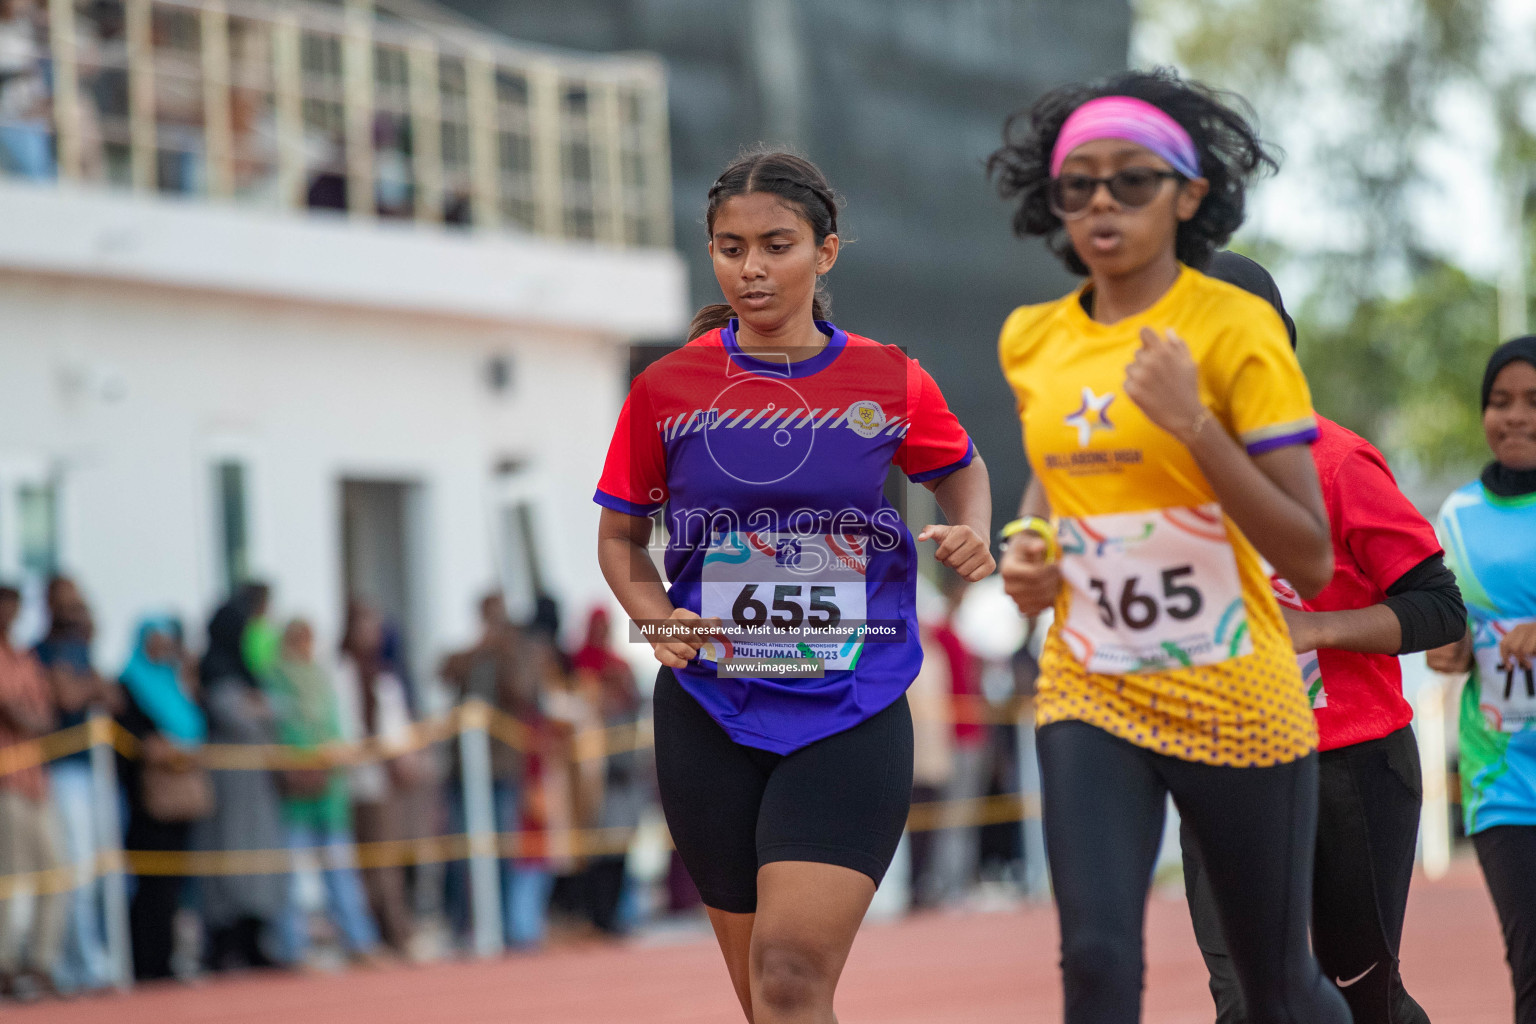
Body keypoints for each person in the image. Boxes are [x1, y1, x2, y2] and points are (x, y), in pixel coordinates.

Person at [595, 148, 993, 1022]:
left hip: (850, 703)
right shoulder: (667, 388)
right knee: (765, 1000)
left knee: (789, 974)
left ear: (827, 252)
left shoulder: (887, 377)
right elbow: (622, 540)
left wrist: (970, 529)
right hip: (709, 711)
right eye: (729, 247)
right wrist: (658, 617)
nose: (751, 268)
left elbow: (960, 468)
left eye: (776, 245)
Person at [990, 69, 1349, 1024]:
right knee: (1098, 963)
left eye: (1133, 181)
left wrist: (1195, 426)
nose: (1102, 202)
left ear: (1190, 194)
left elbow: (1309, 555)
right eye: (1079, 185)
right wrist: (1029, 549)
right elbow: (1051, 486)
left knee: (1276, 991)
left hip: (1233, 688)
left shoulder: (1234, 329)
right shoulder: (1032, 340)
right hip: (1092, 683)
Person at [1179, 251, 1465, 1024]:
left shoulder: (1335, 461)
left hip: (1349, 766)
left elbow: (1440, 608)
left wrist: (1313, 625)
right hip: (1223, 760)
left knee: (1361, 996)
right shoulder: (1157, 479)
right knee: (1245, 1002)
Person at [1427, 335, 1536, 1024]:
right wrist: (1449, 645)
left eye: (1533, 402)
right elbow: (1442, 626)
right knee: (1531, 968)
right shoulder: (1457, 516)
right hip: (1502, 776)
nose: (1515, 416)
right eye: (1499, 402)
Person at [263, 618, 382, 967]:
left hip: (329, 790)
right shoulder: (276, 679)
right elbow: (281, 729)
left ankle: (359, 940)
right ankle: (292, 947)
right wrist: (302, 761)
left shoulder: (320, 677)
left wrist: (333, 756)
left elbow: (334, 725)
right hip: (295, 793)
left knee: (341, 870)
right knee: (291, 874)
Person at [439, 592, 539, 951]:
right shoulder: (471, 653)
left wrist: (505, 650)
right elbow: (443, 672)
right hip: (464, 771)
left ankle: (506, 925)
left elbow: (524, 692)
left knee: (504, 850)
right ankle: (464, 924)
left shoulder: (516, 653)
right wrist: (480, 648)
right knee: (464, 851)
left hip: (502, 769)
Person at [196, 584, 287, 971]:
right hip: (229, 781)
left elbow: (278, 708)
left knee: (260, 857)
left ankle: (255, 937)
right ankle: (224, 941)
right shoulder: (212, 668)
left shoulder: (246, 669)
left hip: (258, 780)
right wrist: (259, 708)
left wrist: (261, 707)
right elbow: (238, 716)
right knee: (228, 856)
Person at [35, 575, 117, 994]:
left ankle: (93, 958)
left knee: (100, 871)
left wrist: (86, 686)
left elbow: (110, 694)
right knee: (76, 869)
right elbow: (67, 698)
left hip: (91, 770)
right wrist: (88, 689)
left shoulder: (81, 652)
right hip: (63, 772)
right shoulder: (43, 651)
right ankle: (78, 964)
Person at [117, 615, 207, 982]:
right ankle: (145, 962)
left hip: (179, 798)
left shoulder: (172, 682)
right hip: (145, 799)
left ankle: (166, 959)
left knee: (173, 886)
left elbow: (195, 725)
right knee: (150, 884)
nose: (164, 646)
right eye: (158, 639)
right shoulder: (129, 684)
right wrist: (163, 750)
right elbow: (138, 742)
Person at [336, 599, 419, 957]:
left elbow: (397, 723)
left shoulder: (385, 674)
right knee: (363, 865)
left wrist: (403, 756)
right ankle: (371, 936)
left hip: (384, 780)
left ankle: (394, 933)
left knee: (387, 862)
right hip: (352, 779)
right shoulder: (340, 673)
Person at [0, 584, 65, 999]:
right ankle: (4, 966)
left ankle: (40, 963)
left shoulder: (24, 657)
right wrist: (28, 718)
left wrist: (30, 719)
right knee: (8, 878)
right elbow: (13, 710)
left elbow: (45, 715)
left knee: (54, 874)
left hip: (36, 781)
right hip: (5, 781)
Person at [570, 608, 647, 935]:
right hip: (593, 778)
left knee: (620, 850)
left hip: (623, 776)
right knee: (596, 852)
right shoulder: (581, 667)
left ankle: (614, 915)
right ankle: (596, 916)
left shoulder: (621, 668)